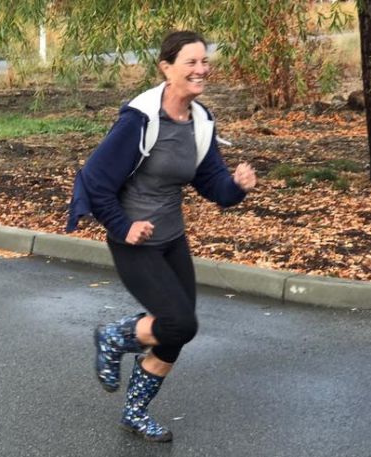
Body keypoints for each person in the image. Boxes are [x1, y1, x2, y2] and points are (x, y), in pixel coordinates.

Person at [67, 30, 257, 442]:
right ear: (166, 68)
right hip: (134, 240)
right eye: (190, 62)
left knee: (179, 330)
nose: (201, 69)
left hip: (171, 238)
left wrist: (237, 186)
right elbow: (95, 181)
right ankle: (114, 336)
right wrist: (123, 226)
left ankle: (135, 412)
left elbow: (213, 185)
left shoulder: (201, 121)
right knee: (176, 321)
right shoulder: (140, 119)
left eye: (204, 61)